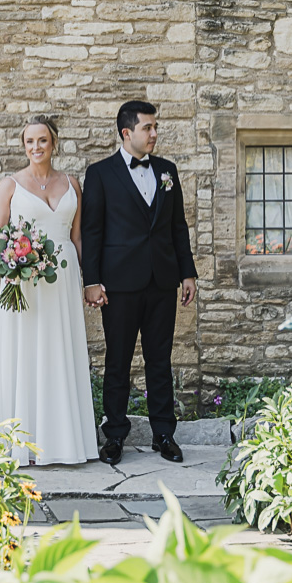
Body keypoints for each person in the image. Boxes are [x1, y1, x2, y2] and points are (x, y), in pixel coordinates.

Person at [0, 116, 98, 467]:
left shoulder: (72, 184)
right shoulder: (9, 186)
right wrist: (17, 263)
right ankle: (20, 439)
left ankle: (64, 441)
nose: (36, 147)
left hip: (63, 280)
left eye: (42, 140)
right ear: (23, 146)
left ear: (54, 142)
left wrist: (89, 281)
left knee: (61, 352)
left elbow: (77, 238)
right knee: (25, 355)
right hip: (25, 283)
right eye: (29, 142)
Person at [81, 100, 197, 466]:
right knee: (117, 361)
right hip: (119, 284)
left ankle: (164, 434)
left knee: (159, 361)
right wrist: (92, 281)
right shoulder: (100, 174)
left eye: (155, 126)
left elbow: (178, 227)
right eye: (148, 127)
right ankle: (114, 434)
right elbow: (92, 231)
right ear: (126, 132)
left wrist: (187, 272)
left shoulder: (167, 171)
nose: (155, 133)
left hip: (162, 281)